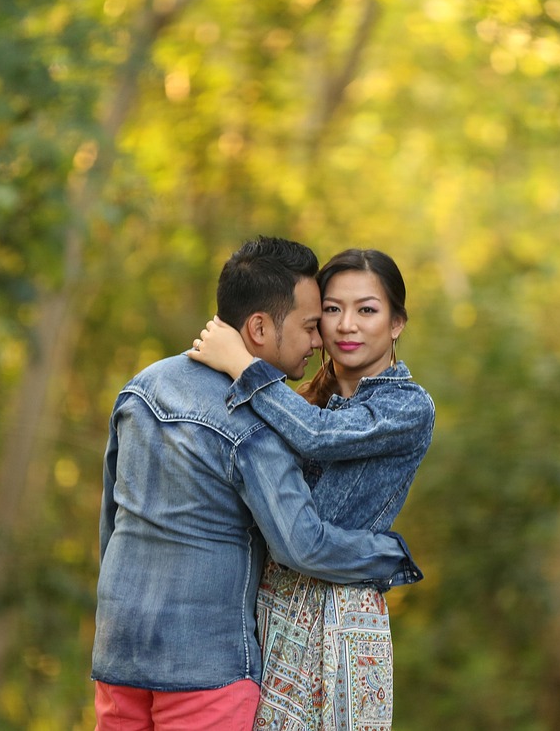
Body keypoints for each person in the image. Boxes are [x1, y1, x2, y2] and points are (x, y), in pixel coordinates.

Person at [91, 237, 422, 731]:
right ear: (261, 327)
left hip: (119, 653)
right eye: (316, 321)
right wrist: (387, 556)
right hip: (207, 665)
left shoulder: (143, 386)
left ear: (396, 323)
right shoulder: (255, 422)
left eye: (365, 310)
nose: (323, 337)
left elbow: (112, 522)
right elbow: (300, 544)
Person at [188, 248, 435, 731]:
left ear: (397, 323)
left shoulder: (408, 407)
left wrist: (243, 364)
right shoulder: (300, 401)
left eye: (367, 310)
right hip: (269, 608)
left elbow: (318, 436)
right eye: (332, 309)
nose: (347, 325)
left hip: (339, 613)